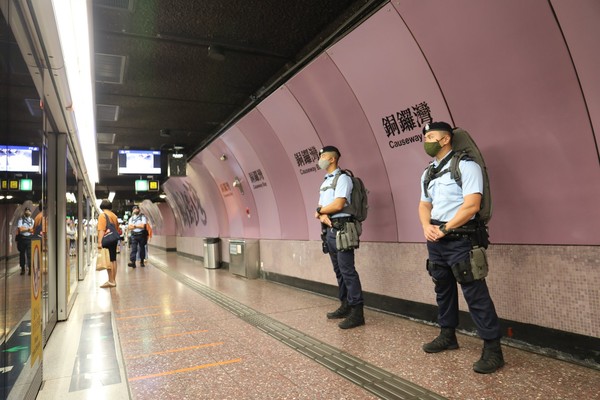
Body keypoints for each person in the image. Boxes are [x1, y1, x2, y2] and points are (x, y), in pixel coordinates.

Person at [418, 121, 504, 374]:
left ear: (445, 139)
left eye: (431, 136)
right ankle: (448, 335)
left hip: (461, 239)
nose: (426, 141)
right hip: (436, 240)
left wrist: (446, 228)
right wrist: (426, 227)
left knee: (475, 293)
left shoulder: (466, 165)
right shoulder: (428, 173)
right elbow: (424, 205)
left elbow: (472, 205)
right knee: (442, 290)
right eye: (425, 137)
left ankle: (493, 349)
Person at [315, 146, 365, 329]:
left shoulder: (343, 179)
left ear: (333, 159)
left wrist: (319, 211)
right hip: (329, 230)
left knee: (348, 271)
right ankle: (345, 305)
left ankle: (357, 312)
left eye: (323, 156)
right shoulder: (325, 181)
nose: (320, 158)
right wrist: (320, 214)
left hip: (343, 228)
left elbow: (338, 204)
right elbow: (320, 208)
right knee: (339, 271)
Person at [97, 199, 120, 288]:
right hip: (113, 239)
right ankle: (113, 280)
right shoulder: (114, 215)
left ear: (102, 206)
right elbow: (117, 229)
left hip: (107, 239)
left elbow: (102, 230)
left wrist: (99, 242)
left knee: (108, 259)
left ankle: (111, 280)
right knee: (113, 259)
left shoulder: (102, 215)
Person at [16, 207, 34, 275]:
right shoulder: (21, 220)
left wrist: (25, 229)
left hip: (29, 238)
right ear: (24, 212)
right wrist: (28, 229)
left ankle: (30, 269)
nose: (27, 212)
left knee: (29, 254)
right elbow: (20, 229)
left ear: (30, 213)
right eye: (26, 211)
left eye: (29, 211)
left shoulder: (32, 220)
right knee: (22, 254)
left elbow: (33, 230)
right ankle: (22, 268)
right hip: (22, 239)